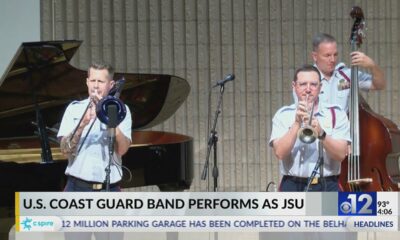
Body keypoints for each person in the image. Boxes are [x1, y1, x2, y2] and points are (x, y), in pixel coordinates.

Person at [57, 62, 132, 240]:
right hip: (77, 190)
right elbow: (64, 151)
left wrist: (111, 122)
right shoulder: (74, 109)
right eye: (93, 80)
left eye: (101, 81)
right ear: (87, 82)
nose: (96, 85)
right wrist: (82, 123)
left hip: (109, 192)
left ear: (111, 85)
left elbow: (122, 149)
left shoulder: (121, 111)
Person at [269, 64, 350, 191]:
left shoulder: (336, 114)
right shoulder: (283, 115)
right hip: (293, 185)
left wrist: (322, 133)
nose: (308, 89)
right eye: (302, 84)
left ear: (320, 87)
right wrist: (296, 124)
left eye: (313, 84)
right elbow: (279, 153)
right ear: (294, 86)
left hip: (327, 185)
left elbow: (341, 155)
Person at [310, 32, 386, 112]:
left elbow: (379, 85)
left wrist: (372, 65)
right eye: (327, 55)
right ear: (315, 56)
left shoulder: (347, 75)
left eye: (335, 54)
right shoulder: (305, 79)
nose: (332, 60)